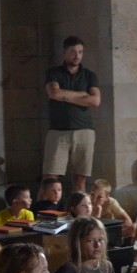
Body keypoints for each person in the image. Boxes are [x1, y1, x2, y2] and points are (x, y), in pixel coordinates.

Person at [43, 36, 101, 194]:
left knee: (80, 178)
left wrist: (65, 96)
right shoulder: (54, 73)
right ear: (64, 52)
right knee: (50, 178)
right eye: (73, 52)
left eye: (80, 52)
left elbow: (95, 100)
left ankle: (79, 209)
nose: (77, 56)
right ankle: (46, 208)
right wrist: (81, 95)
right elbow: (54, 93)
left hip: (84, 130)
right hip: (58, 131)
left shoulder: (89, 75)